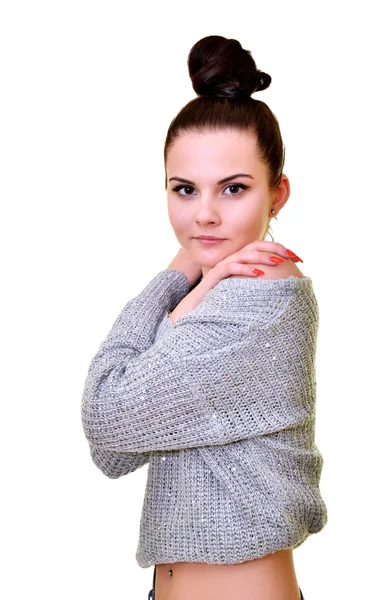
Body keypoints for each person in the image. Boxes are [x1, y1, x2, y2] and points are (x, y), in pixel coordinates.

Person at [81, 35, 327, 600]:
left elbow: (106, 418)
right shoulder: (214, 288)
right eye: (185, 190)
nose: (205, 215)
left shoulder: (261, 297)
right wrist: (191, 282)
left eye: (234, 189)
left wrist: (181, 277)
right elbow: (116, 454)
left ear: (278, 194)